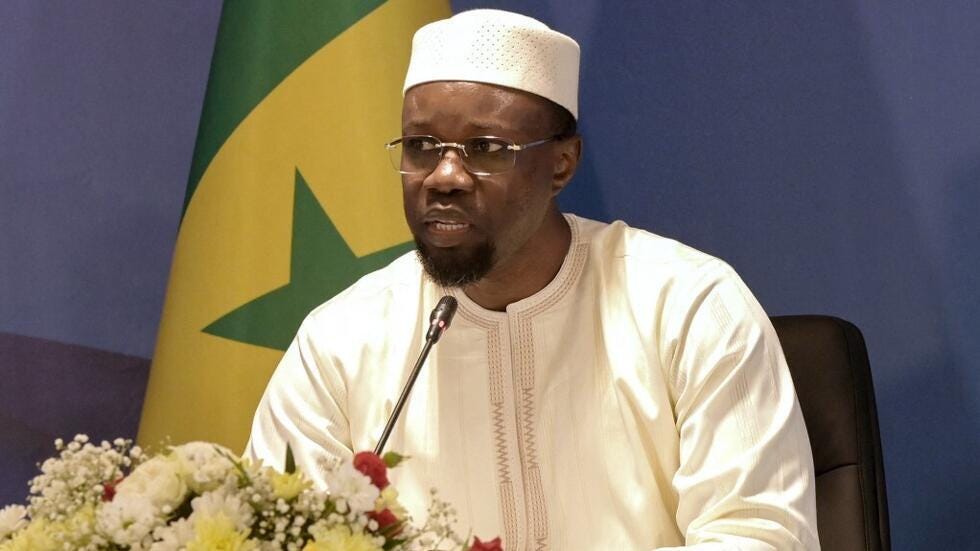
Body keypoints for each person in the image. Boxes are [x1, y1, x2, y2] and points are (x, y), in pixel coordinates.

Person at [247, 9, 820, 550]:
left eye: (486, 149)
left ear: (562, 165)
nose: (444, 176)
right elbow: (277, 532)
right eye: (421, 147)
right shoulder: (339, 343)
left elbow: (759, 534)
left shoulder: (688, 305)